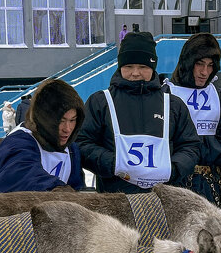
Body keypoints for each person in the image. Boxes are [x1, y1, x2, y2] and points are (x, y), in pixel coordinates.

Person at [76, 29, 200, 194]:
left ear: (153, 67)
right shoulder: (100, 102)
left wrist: (173, 168)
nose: (135, 73)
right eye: (128, 66)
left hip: (163, 200)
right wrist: (114, 163)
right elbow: (81, 143)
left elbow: (190, 145)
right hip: (115, 200)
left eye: (142, 67)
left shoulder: (173, 104)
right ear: (120, 66)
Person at [163, 32, 221, 216]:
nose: (204, 72)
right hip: (176, 185)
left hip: (213, 186)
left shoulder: (219, 98)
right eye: (199, 64)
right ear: (188, 63)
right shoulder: (166, 95)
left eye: (210, 65)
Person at [0, 78, 86, 194]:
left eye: (73, 120)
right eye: (61, 121)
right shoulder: (17, 143)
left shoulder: (71, 149)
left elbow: (77, 187)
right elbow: (22, 176)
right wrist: (58, 189)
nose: (67, 129)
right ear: (45, 119)